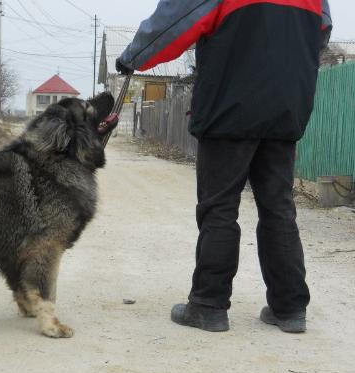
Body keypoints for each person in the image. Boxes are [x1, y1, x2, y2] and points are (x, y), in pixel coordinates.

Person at [116, 0, 332, 333]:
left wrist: (133, 57)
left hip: (230, 105)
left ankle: (208, 305)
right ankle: (289, 309)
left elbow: (174, 21)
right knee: (278, 207)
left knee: (219, 207)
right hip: (286, 106)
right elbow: (321, 31)